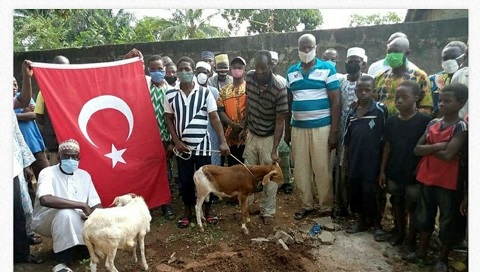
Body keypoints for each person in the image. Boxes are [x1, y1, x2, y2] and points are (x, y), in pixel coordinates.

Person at [407, 83, 468, 271]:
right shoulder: (433, 123)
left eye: (447, 101)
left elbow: (450, 156)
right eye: (440, 100)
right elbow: (417, 149)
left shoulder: (461, 127)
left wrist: (430, 148)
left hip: (448, 181)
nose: (441, 104)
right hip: (427, 177)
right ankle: (421, 252)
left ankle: (442, 258)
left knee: (448, 220)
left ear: (461, 103)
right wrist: (439, 146)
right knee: (424, 216)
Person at [164, 57, 230, 229]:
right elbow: (168, 119)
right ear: (177, 72)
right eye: (181, 69)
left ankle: (208, 211)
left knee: (207, 179)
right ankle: (188, 212)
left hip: (203, 146)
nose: (183, 72)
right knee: (185, 181)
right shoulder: (170, 94)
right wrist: (176, 141)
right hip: (182, 148)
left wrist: (222, 141)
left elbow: (214, 118)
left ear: (193, 70)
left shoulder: (205, 92)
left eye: (187, 69)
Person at [286, 34, 340, 220]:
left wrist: (334, 131)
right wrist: (287, 131)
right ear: (298, 49)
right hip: (298, 128)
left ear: (316, 47)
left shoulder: (327, 69)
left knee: (322, 168)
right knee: (301, 169)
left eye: (310, 47)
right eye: (303, 48)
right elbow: (289, 101)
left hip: (322, 128)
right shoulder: (291, 72)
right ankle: (306, 204)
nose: (306, 51)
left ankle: (325, 206)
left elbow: (336, 102)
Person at [31, 139, 103, 271]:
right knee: (66, 213)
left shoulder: (84, 176)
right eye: (66, 156)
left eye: (74, 157)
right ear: (59, 157)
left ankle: (80, 247)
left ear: (79, 158)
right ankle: (61, 262)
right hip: (47, 219)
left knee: (91, 220)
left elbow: (96, 204)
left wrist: (92, 215)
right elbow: (45, 199)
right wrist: (82, 205)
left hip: (78, 218)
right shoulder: (47, 173)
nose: (71, 159)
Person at [378, 81, 431, 248]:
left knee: (414, 205)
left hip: (415, 172)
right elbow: (388, 146)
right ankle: (399, 231)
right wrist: (382, 171)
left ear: (416, 98)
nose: (399, 101)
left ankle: (411, 238)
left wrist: (421, 168)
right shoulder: (392, 121)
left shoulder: (425, 121)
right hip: (395, 169)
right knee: (397, 202)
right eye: (397, 97)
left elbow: (427, 148)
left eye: (404, 97)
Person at [241, 50, 288, 225]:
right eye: (257, 67)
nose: (260, 71)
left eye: (264, 67)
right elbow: (250, 106)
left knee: (270, 178)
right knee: (248, 174)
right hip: (253, 134)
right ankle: (249, 205)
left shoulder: (279, 88)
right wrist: (244, 128)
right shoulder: (250, 79)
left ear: (271, 65)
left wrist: (275, 149)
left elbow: (280, 122)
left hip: (270, 137)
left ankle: (268, 211)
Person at [343, 75, 388, 242]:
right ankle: (361, 221)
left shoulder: (380, 111)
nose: (363, 93)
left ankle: (377, 224)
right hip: (355, 160)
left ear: (373, 91)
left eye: (367, 90)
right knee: (356, 190)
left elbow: (385, 141)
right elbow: (347, 141)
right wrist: (345, 162)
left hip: (373, 161)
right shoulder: (351, 112)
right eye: (360, 90)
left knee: (372, 193)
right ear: (355, 91)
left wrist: (383, 168)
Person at [14, 59, 43, 265]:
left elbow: (25, 102)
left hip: (12, 166)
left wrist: (26, 76)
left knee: (17, 210)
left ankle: (21, 252)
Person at [335, 47, 367, 217]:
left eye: (357, 62)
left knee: (355, 168)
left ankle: (358, 210)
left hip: (360, 134)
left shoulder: (367, 83)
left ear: (363, 63)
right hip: (342, 132)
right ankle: (342, 206)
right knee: (341, 168)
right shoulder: (341, 82)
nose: (353, 64)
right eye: (350, 61)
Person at [374, 36, 432, 116]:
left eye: (396, 51)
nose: (392, 55)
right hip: (382, 125)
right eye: (389, 52)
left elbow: (426, 108)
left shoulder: (420, 76)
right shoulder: (379, 77)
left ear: (407, 53)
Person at [35, 55, 70, 166]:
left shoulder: (75, 88)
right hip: (55, 145)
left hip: (74, 143)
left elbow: (40, 118)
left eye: (66, 68)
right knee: (56, 175)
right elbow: (39, 118)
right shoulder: (44, 91)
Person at [217, 56, 247, 166]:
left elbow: (252, 108)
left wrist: (242, 125)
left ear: (245, 70)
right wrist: (232, 124)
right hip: (231, 134)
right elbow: (220, 110)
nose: (237, 70)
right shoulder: (224, 90)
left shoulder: (250, 88)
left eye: (240, 67)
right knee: (233, 167)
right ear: (231, 70)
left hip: (247, 134)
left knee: (248, 167)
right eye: (234, 67)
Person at [270, 50, 292, 194]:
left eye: (274, 61)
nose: (271, 63)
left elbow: (286, 105)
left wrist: (286, 126)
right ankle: (269, 180)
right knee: (267, 154)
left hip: (280, 122)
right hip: (264, 124)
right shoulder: (256, 80)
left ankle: (287, 181)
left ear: (277, 62)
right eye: (269, 60)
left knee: (283, 153)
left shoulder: (282, 81)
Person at [429, 41, 467, 117]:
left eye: (453, 57)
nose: (449, 61)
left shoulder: (467, 78)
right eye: (445, 58)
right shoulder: (433, 80)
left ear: (464, 57)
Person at [195, 61, 221, 166]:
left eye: (204, 72)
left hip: (212, 130)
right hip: (197, 131)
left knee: (214, 158)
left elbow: (217, 115)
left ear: (209, 74)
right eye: (199, 72)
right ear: (195, 74)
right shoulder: (192, 91)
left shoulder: (214, 92)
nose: (202, 75)